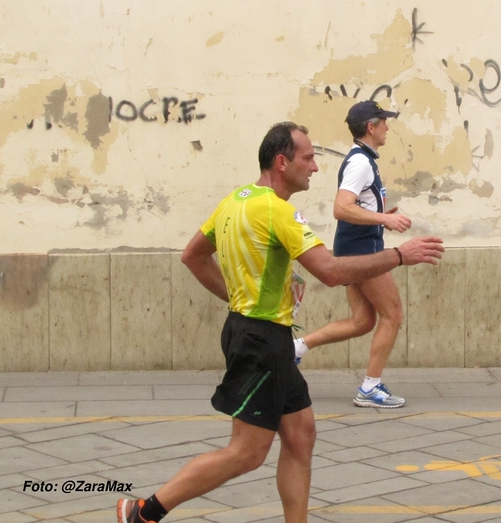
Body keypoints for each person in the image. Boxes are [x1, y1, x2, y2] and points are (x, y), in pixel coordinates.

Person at [115, 122, 444, 523]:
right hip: (261, 342)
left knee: (301, 434)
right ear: (282, 161)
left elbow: (193, 257)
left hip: (260, 334)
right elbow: (331, 271)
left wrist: (239, 298)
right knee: (247, 453)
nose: (315, 168)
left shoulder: (235, 201)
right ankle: (143, 512)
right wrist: (398, 256)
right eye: (308, 158)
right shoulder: (278, 210)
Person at [293, 101, 412, 408]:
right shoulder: (360, 162)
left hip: (353, 245)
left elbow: (356, 205)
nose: (388, 127)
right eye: (384, 122)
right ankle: (370, 388)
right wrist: (384, 219)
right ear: (370, 127)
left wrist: (381, 212)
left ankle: (298, 347)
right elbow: (342, 207)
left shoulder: (363, 159)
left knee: (362, 320)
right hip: (362, 249)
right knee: (393, 314)